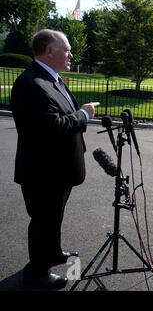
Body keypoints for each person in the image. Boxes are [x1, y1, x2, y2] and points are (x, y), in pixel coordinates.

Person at [11, 29, 99, 289]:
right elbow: (52, 127)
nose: (71, 54)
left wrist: (80, 113)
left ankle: (53, 253)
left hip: (58, 170)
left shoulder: (52, 79)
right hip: (43, 172)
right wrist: (83, 115)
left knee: (53, 218)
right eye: (67, 49)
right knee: (43, 221)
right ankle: (37, 273)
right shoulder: (32, 84)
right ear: (49, 51)